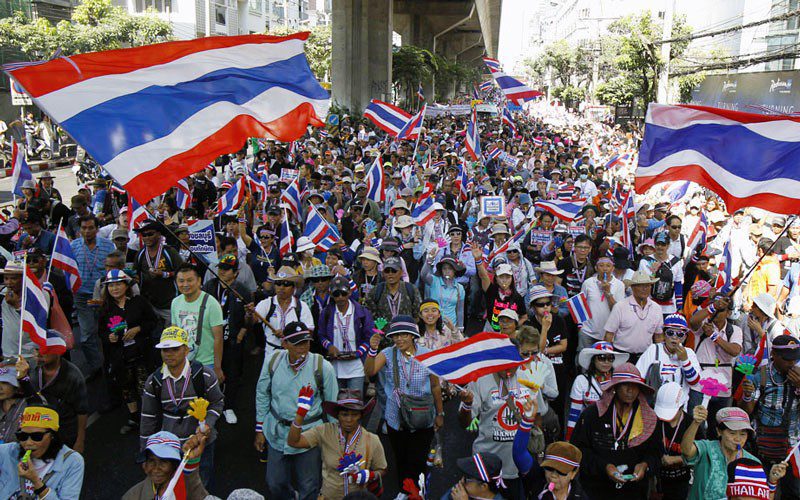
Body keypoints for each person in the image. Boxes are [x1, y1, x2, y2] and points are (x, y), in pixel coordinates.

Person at [254, 321, 338, 500]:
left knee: (309, 485)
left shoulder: (323, 368)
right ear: (284, 343)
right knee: (274, 483)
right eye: (297, 343)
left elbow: (332, 406)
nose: (303, 348)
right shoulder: (273, 361)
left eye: (306, 342)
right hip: (277, 432)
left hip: (309, 434)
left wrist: (334, 441)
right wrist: (259, 429)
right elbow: (262, 394)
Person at [364, 316, 444, 497]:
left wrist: (440, 413)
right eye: (395, 335)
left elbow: (435, 386)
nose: (399, 339)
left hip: (423, 415)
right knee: (400, 458)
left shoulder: (427, 354)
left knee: (418, 458)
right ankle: (403, 490)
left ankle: (418, 491)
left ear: (413, 336)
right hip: (396, 416)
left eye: (404, 335)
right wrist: (372, 349)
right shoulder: (387, 354)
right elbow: (370, 372)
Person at [139, 326, 224, 487]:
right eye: (165, 350)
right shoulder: (154, 381)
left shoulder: (204, 375)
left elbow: (217, 403)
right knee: (171, 485)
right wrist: (145, 452)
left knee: (200, 482)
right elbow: (148, 418)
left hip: (201, 442)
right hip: (169, 444)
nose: (169, 354)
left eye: (175, 349)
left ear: (186, 350)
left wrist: (206, 424)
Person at [569, 363, 661, 499]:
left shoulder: (649, 419)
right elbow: (579, 450)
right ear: (615, 387)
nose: (631, 390)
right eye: (625, 385)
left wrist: (645, 466)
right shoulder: (592, 415)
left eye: (635, 385)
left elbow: (656, 453)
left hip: (634, 491)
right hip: (596, 490)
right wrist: (604, 467)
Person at [286, 389, 387, 499]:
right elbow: (293, 442)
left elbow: (382, 469)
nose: (349, 419)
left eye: (354, 415)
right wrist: (300, 415)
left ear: (360, 416)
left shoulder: (372, 440)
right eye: (344, 414)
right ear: (337, 415)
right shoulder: (324, 431)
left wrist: (370, 475)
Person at [681, 405, 784, 499]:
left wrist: (772, 481)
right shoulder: (706, 448)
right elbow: (686, 450)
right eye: (732, 433)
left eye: (743, 434)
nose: (738, 439)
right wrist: (696, 423)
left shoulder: (752, 462)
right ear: (719, 431)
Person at [97, 269, 156, 435]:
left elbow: (152, 321)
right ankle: (134, 417)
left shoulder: (139, 302)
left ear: (126, 285)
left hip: (141, 352)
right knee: (126, 387)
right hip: (120, 357)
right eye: (111, 286)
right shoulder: (105, 309)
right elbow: (100, 333)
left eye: (118, 284)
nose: (115, 289)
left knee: (144, 386)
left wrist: (138, 328)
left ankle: (149, 416)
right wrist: (109, 337)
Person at [740, 334, 800, 496]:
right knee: (763, 492)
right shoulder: (762, 375)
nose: (792, 363)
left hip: (792, 447)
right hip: (764, 447)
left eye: (794, 359)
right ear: (773, 354)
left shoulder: (798, 375)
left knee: (794, 492)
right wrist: (747, 395)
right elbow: (747, 412)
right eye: (787, 359)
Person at [202, 253, 250, 425]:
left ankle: (228, 406)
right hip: (211, 338)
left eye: (227, 269)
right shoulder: (209, 285)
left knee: (232, 373)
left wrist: (242, 332)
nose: (222, 271)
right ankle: (208, 404)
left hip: (232, 340)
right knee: (210, 372)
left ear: (235, 272)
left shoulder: (242, 290)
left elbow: (249, 319)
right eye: (221, 268)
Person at [17, 342, 88, 454]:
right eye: (36, 349)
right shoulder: (31, 369)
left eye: (44, 350)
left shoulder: (74, 376)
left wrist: (80, 441)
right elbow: (28, 395)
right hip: (40, 431)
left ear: (58, 352)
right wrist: (22, 378)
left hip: (65, 431)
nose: (38, 353)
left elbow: (82, 411)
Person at [0, 406, 84, 498]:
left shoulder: (72, 461)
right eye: (22, 436)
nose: (28, 443)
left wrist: (36, 481)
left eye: (37, 436)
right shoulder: (8, 452)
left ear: (52, 436)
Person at [513, 395, 585, 500]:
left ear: (573, 473)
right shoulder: (538, 482)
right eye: (549, 468)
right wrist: (527, 420)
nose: (553, 476)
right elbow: (518, 453)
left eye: (561, 471)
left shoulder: (580, 497)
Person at [70, 214, 115, 377]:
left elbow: (115, 268)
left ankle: (111, 364)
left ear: (97, 229)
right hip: (82, 297)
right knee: (87, 335)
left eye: (91, 228)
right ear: (79, 229)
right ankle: (96, 367)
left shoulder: (108, 246)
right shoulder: (73, 246)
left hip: (105, 295)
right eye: (84, 228)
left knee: (108, 331)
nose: (87, 231)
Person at [318, 276, 374, 392]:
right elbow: (321, 335)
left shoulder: (362, 312)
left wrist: (359, 352)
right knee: (337, 404)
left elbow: (369, 338)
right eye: (336, 294)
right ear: (331, 294)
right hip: (335, 367)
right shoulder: (326, 313)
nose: (340, 297)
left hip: (356, 367)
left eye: (343, 293)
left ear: (349, 292)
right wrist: (329, 346)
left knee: (355, 405)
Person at [566, 341, 628, 440]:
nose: (606, 362)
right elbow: (574, 414)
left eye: (610, 358)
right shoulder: (581, 381)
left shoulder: (618, 382)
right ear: (593, 360)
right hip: (587, 431)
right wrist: (569, 439)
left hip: (613, 432)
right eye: (602, 358)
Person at [123, 430, 209, 500]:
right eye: (151, 461)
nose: (156, 469)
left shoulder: (187, 489)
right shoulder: (133, 495)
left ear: (174, 466)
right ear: (144, 466)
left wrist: (191, 462)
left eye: (163, 462)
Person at [134, 219, 184, 335]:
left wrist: (165, 274)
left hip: (169, 304)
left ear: (159, 234)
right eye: (144, 235)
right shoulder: (140, 254)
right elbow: (135, 274)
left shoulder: (169, 252)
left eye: (150, 234)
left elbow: (183, 272)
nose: (147, 238)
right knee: (152, 338)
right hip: (149, 304)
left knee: (171, 336)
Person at [604, 270, 664, 363]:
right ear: (632, 287)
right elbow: (609, 334)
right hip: (621, 355)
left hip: (646, 356)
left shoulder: (657, 308)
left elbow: (659, 336)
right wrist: (607, 357)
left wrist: (660, 357)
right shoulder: (620, 306)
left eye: (647, 285)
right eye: (640, 285)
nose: (644, 289)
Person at [254, 266, 314, 356]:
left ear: (294, 288)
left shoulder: (302, 307)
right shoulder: (265, 304)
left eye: (286, 284)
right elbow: (252, 322)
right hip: (271, 355)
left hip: (294, 354)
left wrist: (288, 334)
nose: (281, 287)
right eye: (278, 283)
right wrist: (249, 315)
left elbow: (309, 331)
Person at [635, 314, 701, 396]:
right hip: (655, 404)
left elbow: (694, 382)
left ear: (684, 338)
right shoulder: (653, 349)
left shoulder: (689, 353)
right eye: (670, 333)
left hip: (680, 405)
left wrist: (685, 360)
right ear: (663, 335)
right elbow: (638, 378)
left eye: (680, 334)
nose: (674, 337)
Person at [653, 382, 696, 500]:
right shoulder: (655, 420)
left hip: (682, 481)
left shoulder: (691, 424)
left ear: (682, 407)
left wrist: (678, 459)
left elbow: (700, 455)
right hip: (657, 479)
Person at [578, 257, 625, 351]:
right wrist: (580, 326)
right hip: (588, 331)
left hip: (608, 333)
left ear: (613, 268)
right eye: (601, 265)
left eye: (608, 266)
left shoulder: (619, 285)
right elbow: (581, 304)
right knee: (584, 361)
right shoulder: (588, 283)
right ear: (596, 268)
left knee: (603, 361)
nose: (605, 269)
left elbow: (618, 310)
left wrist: (608, 293)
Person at [364, 256, 422, 323]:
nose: (390, 274)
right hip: (384, 332)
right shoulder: (376, 291)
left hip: (405, 331)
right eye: (387, 271)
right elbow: (370, 317)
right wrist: (378, 331)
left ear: (401, 272)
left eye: (394, 271)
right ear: (383, 273)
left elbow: (417, 315)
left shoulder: (411, 289)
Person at [420, 255, 466, 329]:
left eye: (450, 268)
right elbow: (423, 275)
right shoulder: (434, 280)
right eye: (444, 268)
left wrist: (460, 327)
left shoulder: (459, 288)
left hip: (451, 326)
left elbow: (460, 310)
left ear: (454, 270)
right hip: (433, 323)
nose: (447, 271)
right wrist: (429, 259)